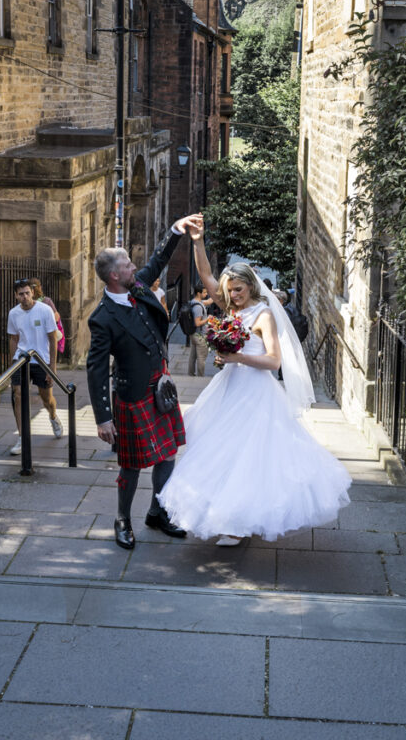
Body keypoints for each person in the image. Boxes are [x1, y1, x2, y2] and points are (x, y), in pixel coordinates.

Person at [159, 218, 352, 546]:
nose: (232, 295)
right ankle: (229, 516)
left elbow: (273, 361)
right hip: (231, 386)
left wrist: (237, 357)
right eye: (229, 290)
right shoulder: (229, 307)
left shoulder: (263, 315)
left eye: (238, 290)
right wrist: (198, 241)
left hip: (256, 391)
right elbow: (206, 276)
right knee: (219, 449)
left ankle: (237, 524)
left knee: (248, 454)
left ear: (251, 287)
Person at [87, 214, 203, 550]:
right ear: (113, 276)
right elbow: (95, 369)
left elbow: (158, 260)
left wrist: (175, 231)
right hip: (134, 395)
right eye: (126, 264)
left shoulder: (137, 286)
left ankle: (157, 511)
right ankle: (122, 519)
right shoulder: (103, 318)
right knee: (132, 465)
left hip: (160, 386)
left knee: (168, 454)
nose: (133, 266)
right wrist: (103, 418)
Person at [7, 278, 62, 455]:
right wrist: (11, 366)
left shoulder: (44, 310)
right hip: (21, 359)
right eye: (21, 294)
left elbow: (53, 339)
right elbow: (14, 339)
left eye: (27, 293)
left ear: (32, 293)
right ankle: (22, 437)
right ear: (16, 296)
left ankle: (53, 416)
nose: (24, 297)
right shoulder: (13, 313)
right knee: (18, 394)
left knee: (46, 398)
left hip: (41, 360)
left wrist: (52, 368)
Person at [29, 277, 65, 356]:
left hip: (32, 333)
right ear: (40, 287)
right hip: (46, 333)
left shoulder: (27, 303)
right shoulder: (46, 301)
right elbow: (57, 316)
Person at [188, 281, 210, 377]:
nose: (206, 294)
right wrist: (208, 319)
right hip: (200, 335)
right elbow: (197, 323)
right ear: (198, 293)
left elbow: (208, 301)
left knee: (192, 357)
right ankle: (200, 377)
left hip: (193, 335)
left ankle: (191, 374)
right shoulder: (198, 307)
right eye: (204, 292)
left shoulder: (193, 302)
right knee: (201, 357)